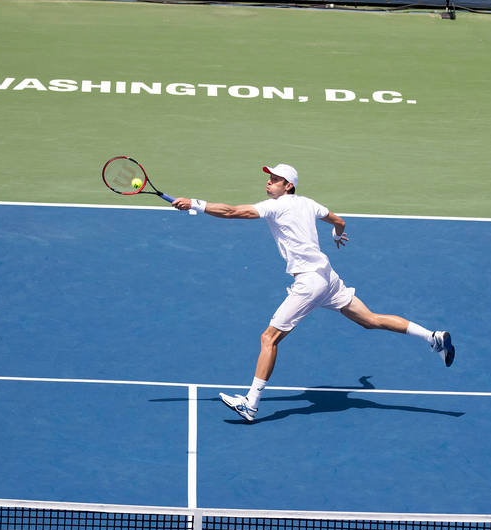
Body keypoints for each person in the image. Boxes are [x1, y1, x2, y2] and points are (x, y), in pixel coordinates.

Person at [171, 163, 455, 423]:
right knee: (370, 319)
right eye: (269, 179)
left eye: (275, 180)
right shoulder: (308, 204)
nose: (269, 183)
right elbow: (338, 220)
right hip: (327, 277)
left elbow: (234, 212)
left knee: (269, 338)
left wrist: (196, 204)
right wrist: (335, 235)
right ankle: (433, 337)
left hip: (309, 282)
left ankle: (251, 403)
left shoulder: (276, 207)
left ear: (288, 185)